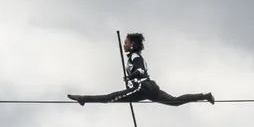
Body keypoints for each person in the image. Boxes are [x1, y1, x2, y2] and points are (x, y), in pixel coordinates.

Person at [68, 33, 215, 106]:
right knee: (175, 101)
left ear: (132, 44)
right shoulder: (136, 56)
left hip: (141, 87)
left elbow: (140, 71)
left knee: (109, 97)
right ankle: (204, 96)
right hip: (151, 88)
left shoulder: (135, 57)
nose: (123, 45)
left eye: (125, 43)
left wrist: (130, 78)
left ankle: (83, 98)